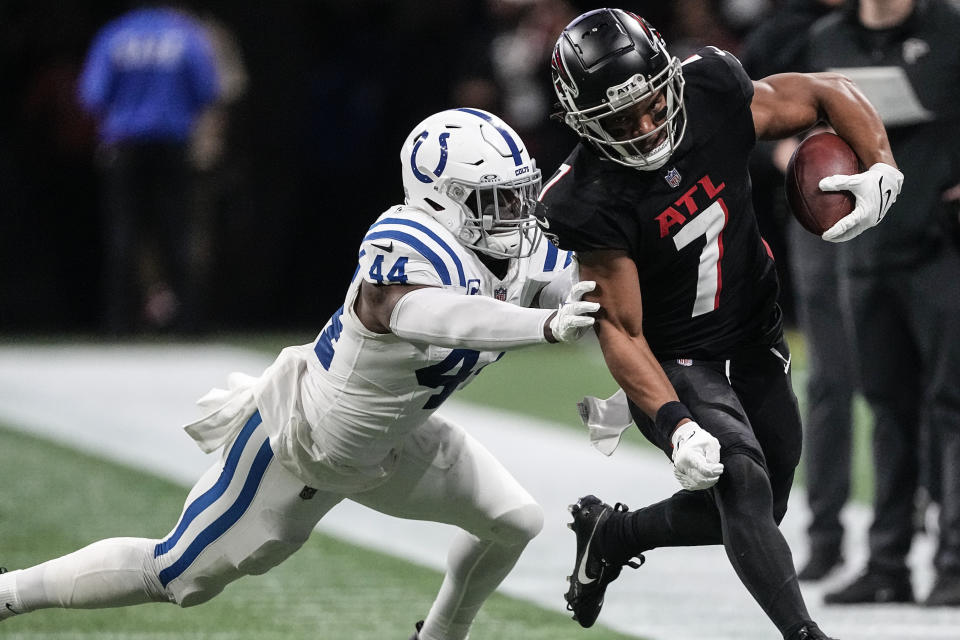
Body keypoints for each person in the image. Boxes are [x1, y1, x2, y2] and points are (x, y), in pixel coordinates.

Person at [0, 108, 600, 640]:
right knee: (178, 573)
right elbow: (427, 313)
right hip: (306, 441)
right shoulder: (408, 239)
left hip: (393, 440)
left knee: (514, 520)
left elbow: (588, 288)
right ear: (442, 197)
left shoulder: (517, 247)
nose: (515, 214)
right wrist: (542, 325)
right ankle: (10, 593)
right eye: (494, 199)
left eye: (517, 195)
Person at [538, 8, 901, 640]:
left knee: (761, 505)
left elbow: (823, 92)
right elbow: (621, 330)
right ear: (583, 121)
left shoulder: (708, 90)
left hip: (756, 331)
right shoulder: (587, 197)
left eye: (652, 105)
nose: (647, 128)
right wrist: (676, 425)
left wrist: (880, 164)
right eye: (622, 121)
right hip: (678, 357)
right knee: (741, 485)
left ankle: (614, 533)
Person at [803, 0, 960, 607]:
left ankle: (954, 563)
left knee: (952, 406)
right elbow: (805, 128)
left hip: (944, 246)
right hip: (865, 254)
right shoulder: (826, 39)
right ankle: (888, 562)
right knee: (887, 409)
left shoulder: (950, 29)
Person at [739, 0, 855, 582]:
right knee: (830, 385)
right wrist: (785, 153)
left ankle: (932, 540)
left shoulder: (922, 25)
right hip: (822, 224)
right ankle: (826, 535)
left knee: (918, 390)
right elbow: (731, 125)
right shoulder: (782, 34)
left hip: (911, 227)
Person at [77, 4, 220, 336]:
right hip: (172, 144)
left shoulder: (115, 35)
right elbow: (207, 91)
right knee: (179, 233)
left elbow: (92, 95)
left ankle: (119, 322)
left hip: (124, 146)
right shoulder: (186, 35)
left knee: (123, 234)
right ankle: (188, 324)